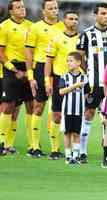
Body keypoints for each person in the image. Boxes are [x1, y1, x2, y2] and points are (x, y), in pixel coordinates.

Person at [77, 2, 107, 163]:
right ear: (95, 15)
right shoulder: (86, 34)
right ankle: (81, 151)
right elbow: (79, 56)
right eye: (103, 13)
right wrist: (88, 72)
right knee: (88, 114)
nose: (106, 16)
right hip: (94, 83)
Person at [25, 0, 65, 158]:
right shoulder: (35, 28)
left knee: (57, 110)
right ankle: (34, 146)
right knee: (38, 107)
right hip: (41, 68)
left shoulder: (63, 27)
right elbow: (28, 53)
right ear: (43, 11)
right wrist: (31, 76)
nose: (54, 10)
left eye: (56, 8)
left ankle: (55, 148)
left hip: (59, 68)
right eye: (51, 8)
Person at [44, 10, 79, 160]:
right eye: (71, 18)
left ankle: (75, 151)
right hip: (60, 79)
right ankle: (54, 149)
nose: (74, 21)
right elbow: (48, 61)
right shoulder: (56, 38)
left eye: (76, 19)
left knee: (75, 116)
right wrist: (47, 81)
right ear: (64, 20)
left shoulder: (81, 39)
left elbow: (84, 60)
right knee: (57, 114)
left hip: (77, 80)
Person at [0, 0, 32, 155]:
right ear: (11, 11)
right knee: (7, 105)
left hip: (27, 68)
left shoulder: (30, 26)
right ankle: (1, 142)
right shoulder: (4, 26)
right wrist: (14, 70)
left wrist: (29, 71)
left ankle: (9, 144)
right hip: (11, 68)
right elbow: (1, 52)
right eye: (18, 7)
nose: (22, 9)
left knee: (18, 107)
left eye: (23, 7)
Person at [59, 52, 89, 165]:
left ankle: (75, 156)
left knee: (77, 133)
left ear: (78, 63)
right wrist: (75, 86)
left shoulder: (84, 77)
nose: (68, 63)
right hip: (67, 110)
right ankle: (68, 155)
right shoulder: (64, 76)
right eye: (67, 61)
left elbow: (86, 94)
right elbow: (61, 91)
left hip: (79, 110)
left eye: (71, 61)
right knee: (67, 133)